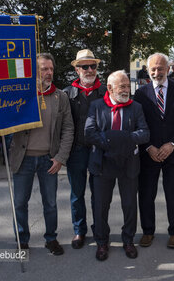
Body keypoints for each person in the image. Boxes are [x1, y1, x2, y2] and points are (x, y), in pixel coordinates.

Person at [9, 53, 74, 255]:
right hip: (23, 158)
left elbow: (68, 129)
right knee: (19, 202)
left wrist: (60, 157)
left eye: (51, 69)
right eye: (44, 69)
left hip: (49, 158)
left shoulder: (60, 97)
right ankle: (22, 240)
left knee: (51, 203)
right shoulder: (20, 94)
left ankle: (51, 239)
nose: (48, 73)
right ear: (33, 71)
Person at [84, 71, 149, 261]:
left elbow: (144, 133)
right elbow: (89, 133)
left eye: (128, 86)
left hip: (128, 164)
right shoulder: (96, 106)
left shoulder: (136, 107)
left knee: (129, 205)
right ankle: (102, 242)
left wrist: (122, 140)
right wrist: (112, 141)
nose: (127, 90)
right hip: (102, 163)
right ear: (110, 88)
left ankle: (128, 240)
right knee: (101, 206)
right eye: (122, 86)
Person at [134, 53, 174, 249]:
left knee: (173, 195)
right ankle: (148, 231)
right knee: (146, 194)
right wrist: (148, 146)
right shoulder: (141, 93)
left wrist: (172, 144)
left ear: (168, 69)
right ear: (148, 70)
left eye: (160, 68)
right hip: (148, 153)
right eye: (153, 69)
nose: (156, 72)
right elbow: (136, 123)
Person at [63, 49, 107, 249]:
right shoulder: (67, 94)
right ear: (76, 69)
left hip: (99, 150)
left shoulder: (107, 92)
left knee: (98, 193)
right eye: (84, 66)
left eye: (93, 66)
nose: (89, 70)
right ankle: (79, 230)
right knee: (77, 194)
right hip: (76, 150)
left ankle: (99, 229)